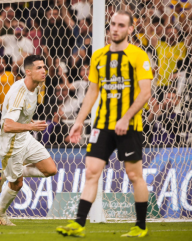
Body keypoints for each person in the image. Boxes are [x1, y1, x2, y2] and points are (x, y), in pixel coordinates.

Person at [56, 10, 153, 238]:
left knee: (134, 175)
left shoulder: (138, 56)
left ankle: (140, 226)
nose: (115, 29)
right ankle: (79, 223)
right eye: (113, 25)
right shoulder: (99, 56)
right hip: (101, 124)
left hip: (129, 125)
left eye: (121, 25)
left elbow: (146, 93)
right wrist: (79, 122)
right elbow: (92, 91)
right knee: (91, 171)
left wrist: (126, 118)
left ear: (130, 29)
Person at [0, 55, 58, 226]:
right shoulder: (19, 93)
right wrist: (31, 127)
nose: (44, 71)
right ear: (28, 72)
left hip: (24, 137)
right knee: (17, 184)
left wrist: (30, 123)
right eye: (39, 68)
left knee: (51, 169)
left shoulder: (36, 87)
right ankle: (0, 213)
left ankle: (4, 173)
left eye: (44, 67)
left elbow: (20, 118)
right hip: (10, 143)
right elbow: (7, 125)